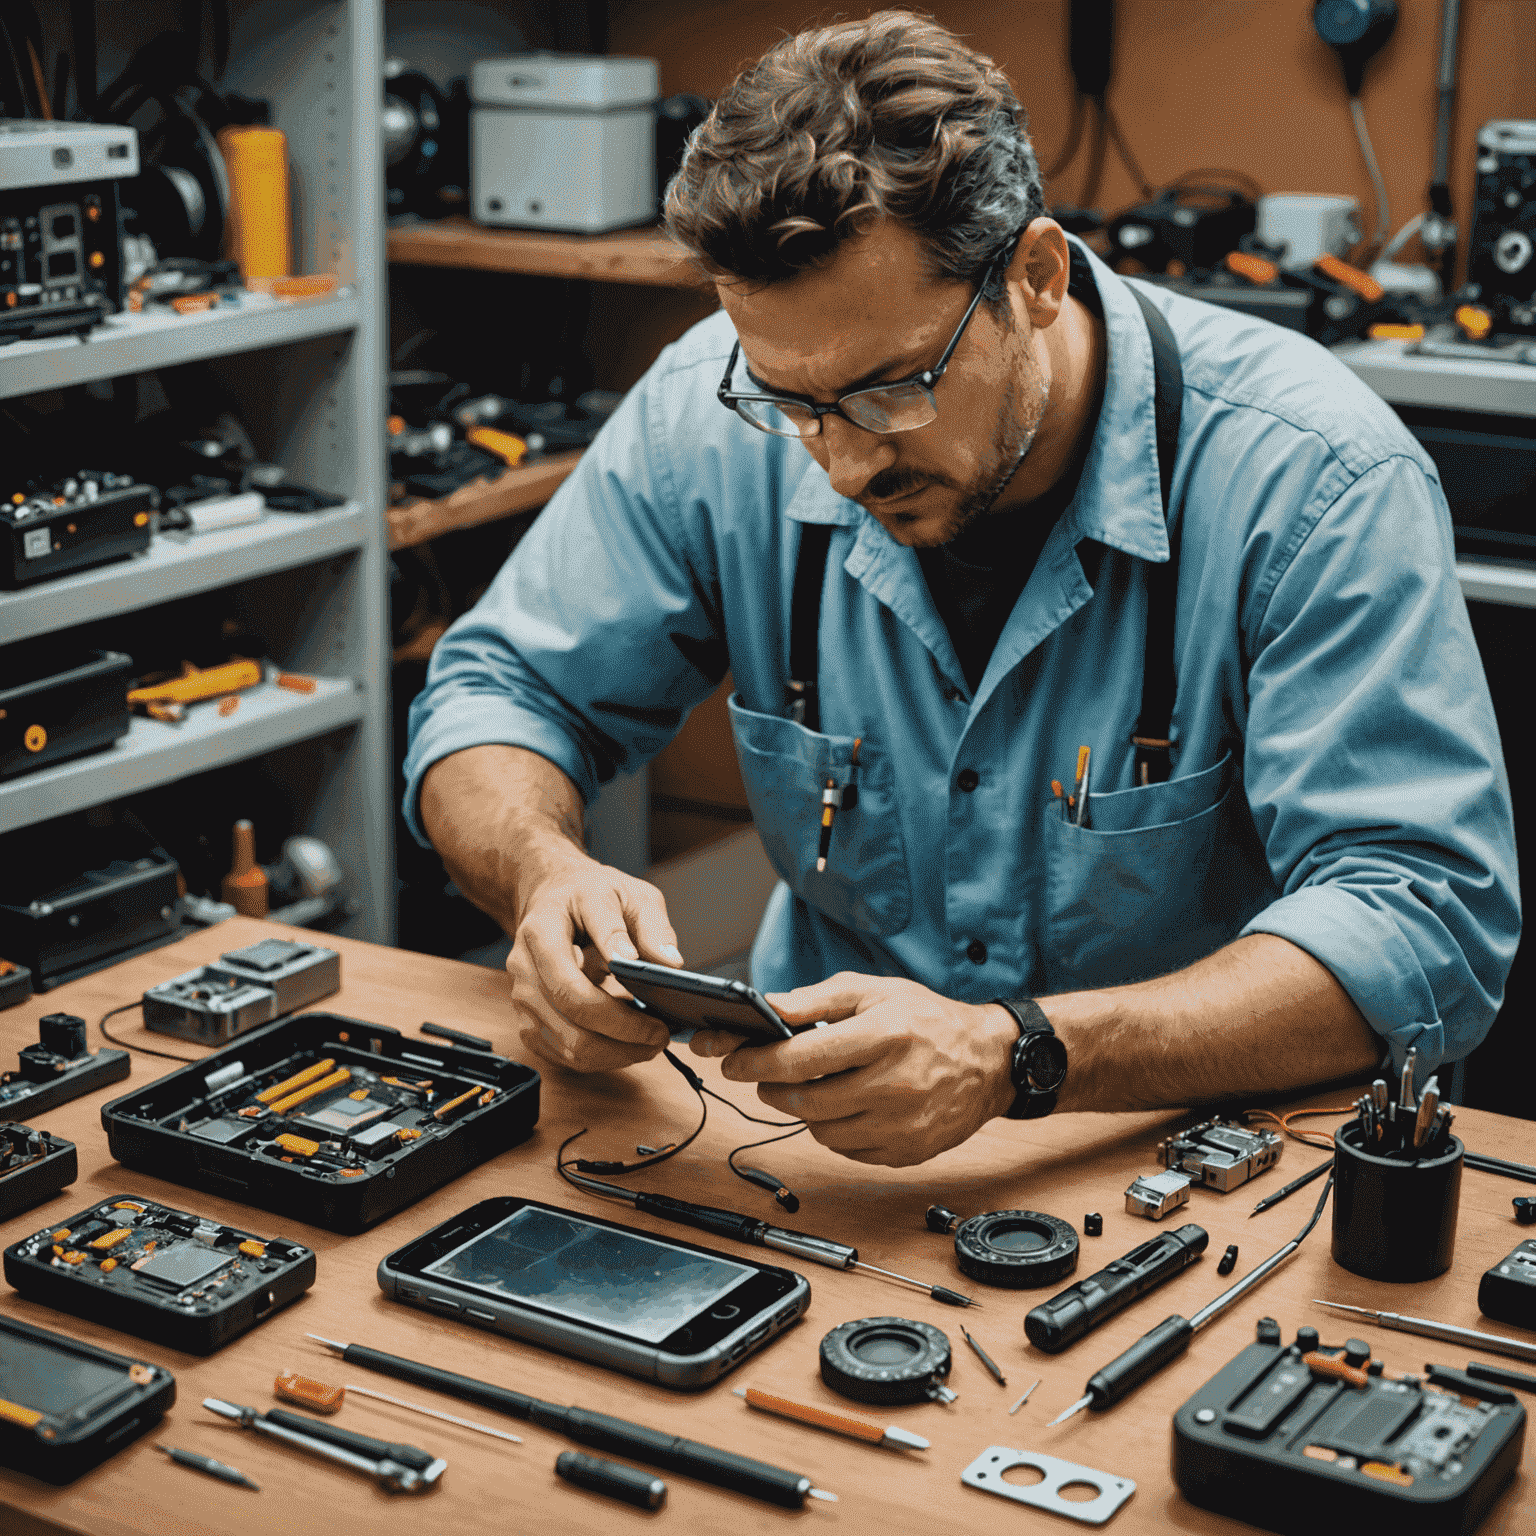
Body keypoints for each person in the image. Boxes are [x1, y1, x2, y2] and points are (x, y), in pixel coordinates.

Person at [404, 12, 1518, 1167]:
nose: (838, 464)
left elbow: (1420, 918)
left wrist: (1019, 1053)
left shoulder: (1317, 479)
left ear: (1032, 278)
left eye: (887, 393)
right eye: (792, 404)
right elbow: (495, 697)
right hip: (811, 1152)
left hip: (1192, 1165)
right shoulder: (714, 412)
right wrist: (545, 876)